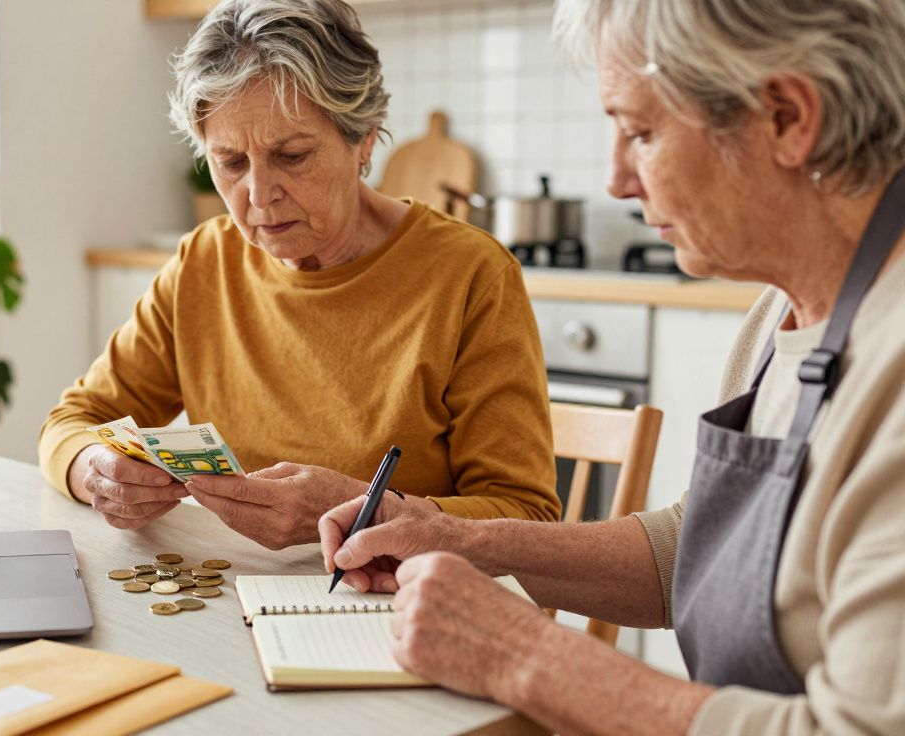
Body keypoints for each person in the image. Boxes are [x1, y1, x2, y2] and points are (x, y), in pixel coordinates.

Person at [319, 0, 905, 733]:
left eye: (640, 131)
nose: (618, 181)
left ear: (787, 117)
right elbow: (697, 554)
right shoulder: (778, 315)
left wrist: (523, 653)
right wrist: (457, 538)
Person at [37, 0, 560, 549]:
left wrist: (359, 513)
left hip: (403, 606)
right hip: (243, 594)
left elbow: (524, 518)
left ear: (363, 140)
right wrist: (94, 469)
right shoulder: (204, 262)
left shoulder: (470, 275)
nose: (259, 196)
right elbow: (74, 420)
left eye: (292, 156)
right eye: (231, 164)